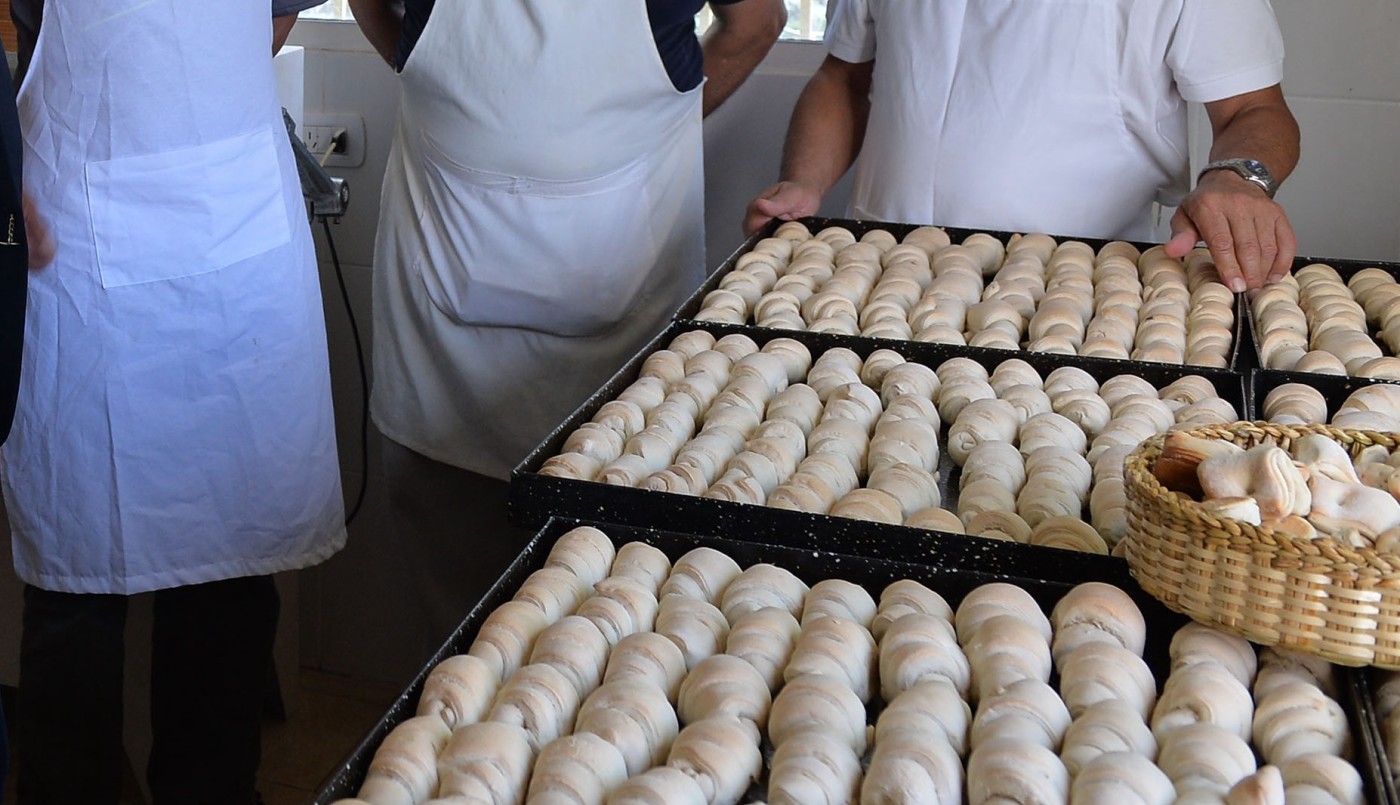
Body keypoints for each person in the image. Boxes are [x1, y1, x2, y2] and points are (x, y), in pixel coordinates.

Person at [348, 0, 787, 655]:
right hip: (446, 335)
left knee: (611, 623)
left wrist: (668, 121)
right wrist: (418, 66)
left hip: (623, 318)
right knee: (459, 631)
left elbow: (756, 19)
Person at [2, 3, 345, 804]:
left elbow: (277, 15)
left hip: (232, 239)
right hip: (78, 241)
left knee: (230, 579)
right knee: (75, 592)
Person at [745, 0, 1301, 292]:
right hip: (878, 272)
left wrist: (1238, 177)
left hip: (1075, 289)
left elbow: (1254, 109)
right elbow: (842, 77)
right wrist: (805, 181)